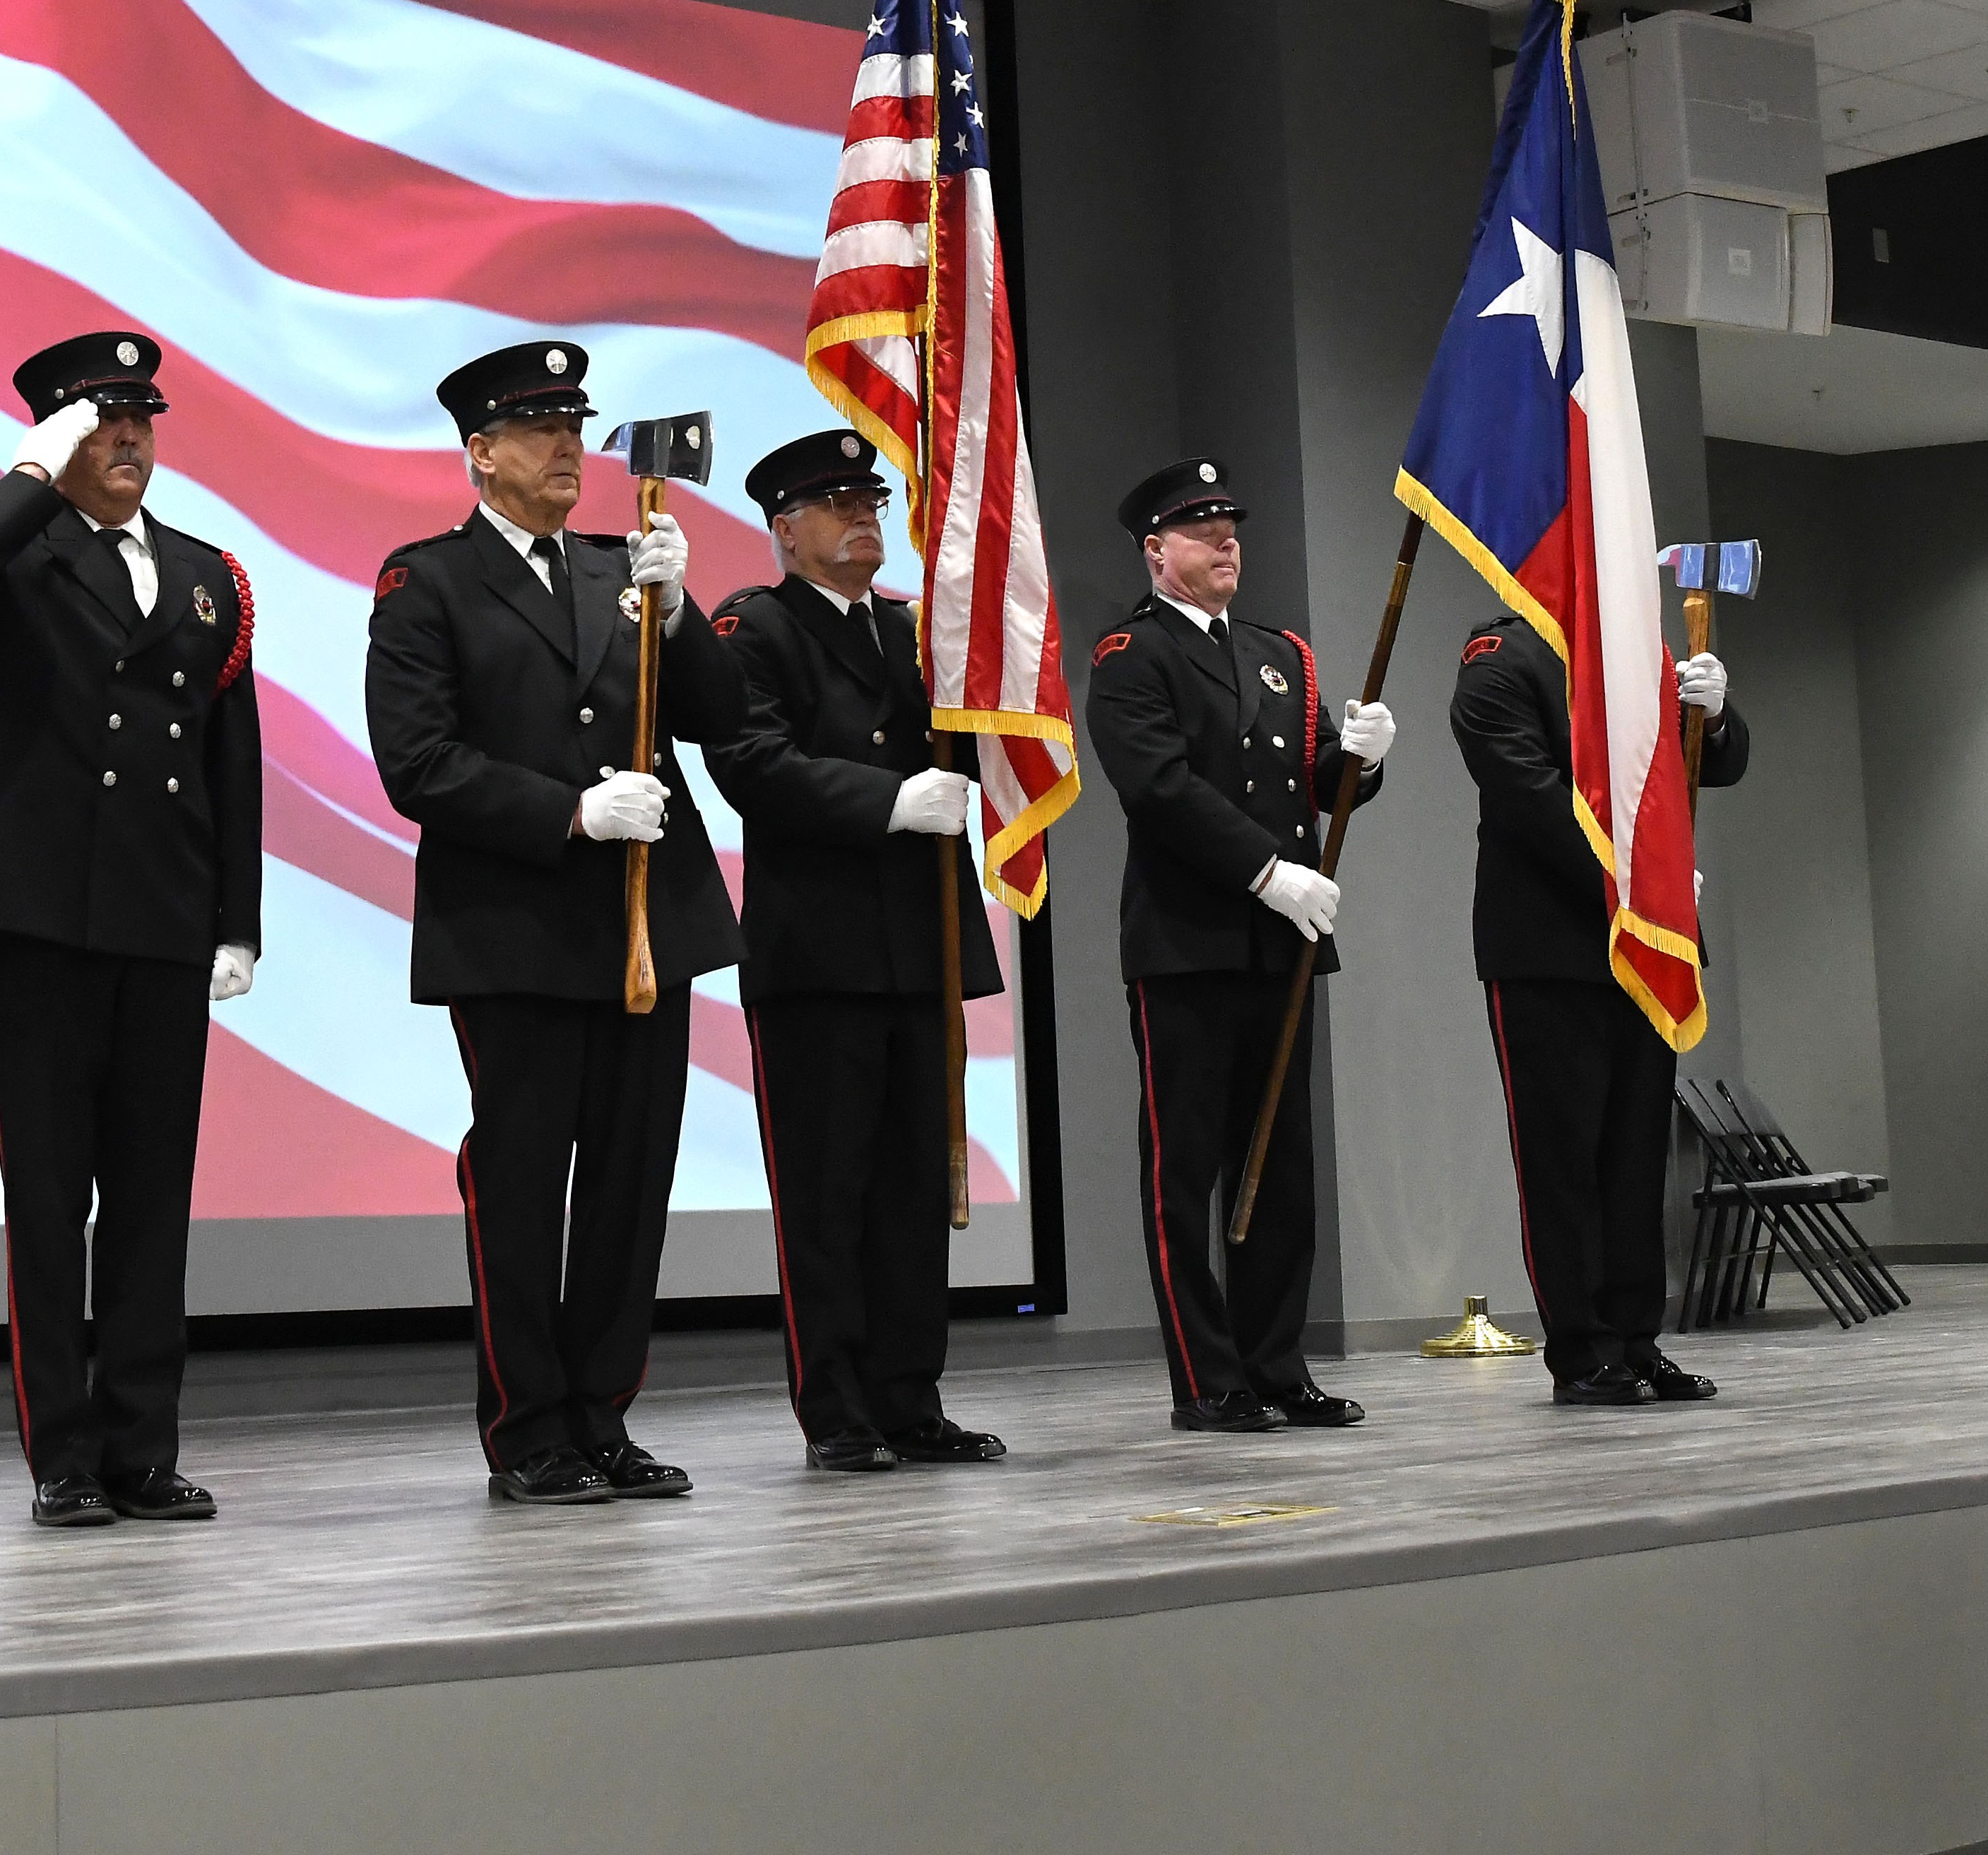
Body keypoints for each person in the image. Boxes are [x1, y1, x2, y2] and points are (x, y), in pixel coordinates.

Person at [365, 340, 747, 1506]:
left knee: (630, 1185)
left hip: (644, 924)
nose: (567, 450)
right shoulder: (427, 582)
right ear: (480, 453)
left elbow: (720, 715)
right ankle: (529, 1427)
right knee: (525, 1185)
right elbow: (417, 763)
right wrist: (569, 812)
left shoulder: (621, 568)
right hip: (516, 924)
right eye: (539, 431)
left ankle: (602, 1415)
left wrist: (678, 617)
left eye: (575, 429)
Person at [0, 331, 264, 1529]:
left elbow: (230, 759)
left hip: (163, 913)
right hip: (41, 914)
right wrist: (27, 473)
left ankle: (141, 1449)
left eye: (140, 421)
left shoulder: (209, 574)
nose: (127, 441)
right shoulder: (10, 541)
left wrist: (237, 921)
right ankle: (62, 1453)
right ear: (56, 435)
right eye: (100, 422)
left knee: (154, 1198)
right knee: (52, 1195)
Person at [700, 427, 1011, 1474]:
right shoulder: (755, 626)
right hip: (819, 954)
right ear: (784, 530)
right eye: (836, 504)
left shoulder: (916, 630)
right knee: (826, 1194)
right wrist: (885, 798)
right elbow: (749, 759)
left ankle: (909, 1398)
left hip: (918, 945)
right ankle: (836, 1408)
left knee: (914, 1190)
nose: (863, 518)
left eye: (871, 501)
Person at [1084, 457, 1391, 1433]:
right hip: (1188, 942)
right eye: (1201, 529)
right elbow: (1160, 788)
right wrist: (1267, 872)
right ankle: (1206, 1377)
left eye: (1230, 527)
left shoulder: (1278, 652)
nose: (1226, 542)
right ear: (1155, 550)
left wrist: (1358, 760)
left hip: (1279, 943)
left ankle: (1276, 1364)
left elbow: (1309, 780)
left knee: (1281, 1165)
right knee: (1185, 1173)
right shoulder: (1131, 654)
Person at [1455, 608, 1742, 1404]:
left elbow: (1712, 764)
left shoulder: (1634, 649)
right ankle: (1582, 1350)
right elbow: (1527, 793)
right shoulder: (1501, 656)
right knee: (1562, 1163)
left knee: (1635, 1160)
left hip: (1645, 948)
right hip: (1550, 946)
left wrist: (1714, 716)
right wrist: (1637, 882)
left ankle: (1636, 1341)